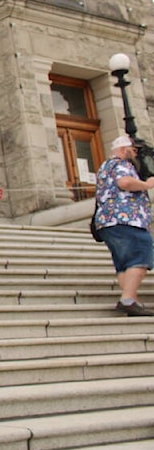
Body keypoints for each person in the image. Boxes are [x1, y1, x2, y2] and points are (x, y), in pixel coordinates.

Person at [93, 134, 154, 316]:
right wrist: (146, 184)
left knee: (124, 263)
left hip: (107, 222)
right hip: (127, 218)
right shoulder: (122, 165)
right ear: (124, 149)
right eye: (133, 150)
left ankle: (131, 299)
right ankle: (127, 299)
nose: (135, 154)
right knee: (141, 254)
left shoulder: (105, 166)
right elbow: (125, 182)